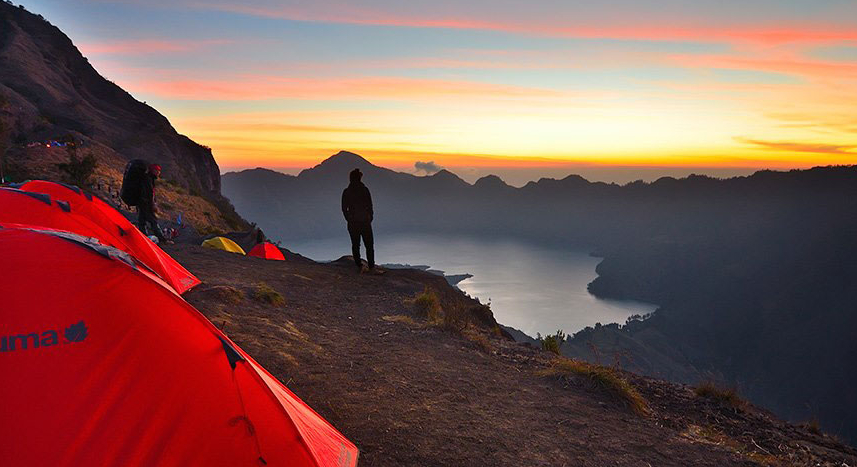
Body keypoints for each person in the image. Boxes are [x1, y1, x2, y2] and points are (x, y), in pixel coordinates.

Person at [341, 168, 376, 272]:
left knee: (356, 245)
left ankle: (359, 266)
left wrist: (349, 219)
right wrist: (369, 217)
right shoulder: (364, 190)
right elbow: (370, 205)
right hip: (365, 221)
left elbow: (344, 208)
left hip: (354, 223)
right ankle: (371, 267)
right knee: (369, 245)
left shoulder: (347, 191)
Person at [137, 163, 167, 243]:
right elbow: (149, 193)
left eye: (159, 171)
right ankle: (162, 239)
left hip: (142, 203)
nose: (158, 172)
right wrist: (153, 205)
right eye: (157, 170)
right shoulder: (148, 179)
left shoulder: (148, 178)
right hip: (146, 203)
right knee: (153, 221)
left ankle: (143, 238)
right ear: (152, 170)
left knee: (141, 221)